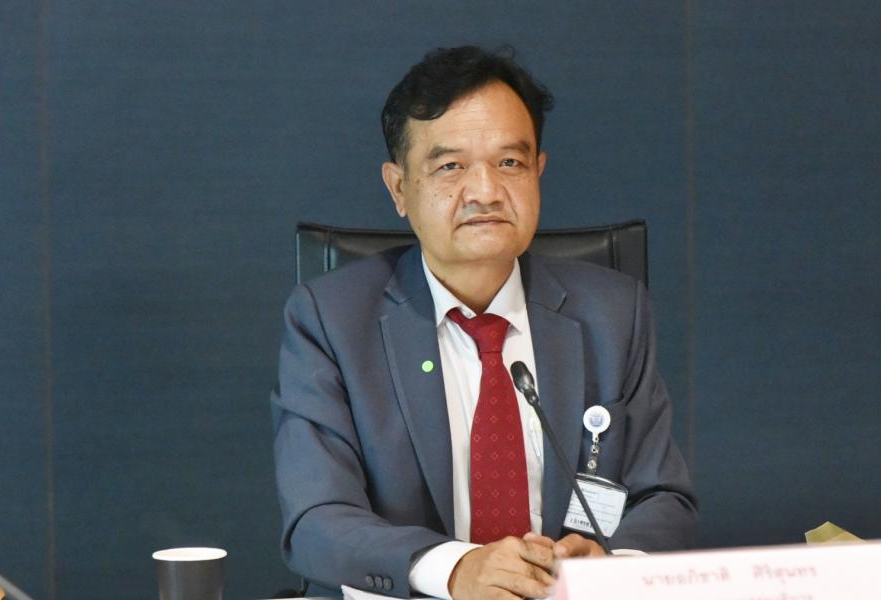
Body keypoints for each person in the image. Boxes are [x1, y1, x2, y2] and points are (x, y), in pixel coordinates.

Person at [272, 46, 697, 599]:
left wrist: (611, 566)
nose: (486, 191)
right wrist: (456, 570)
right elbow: (317, 520)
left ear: (538, 171)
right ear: (399, 188)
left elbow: (662, 497)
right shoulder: (330, 321)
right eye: (450, 166)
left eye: (510, 163)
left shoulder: (613, 314)